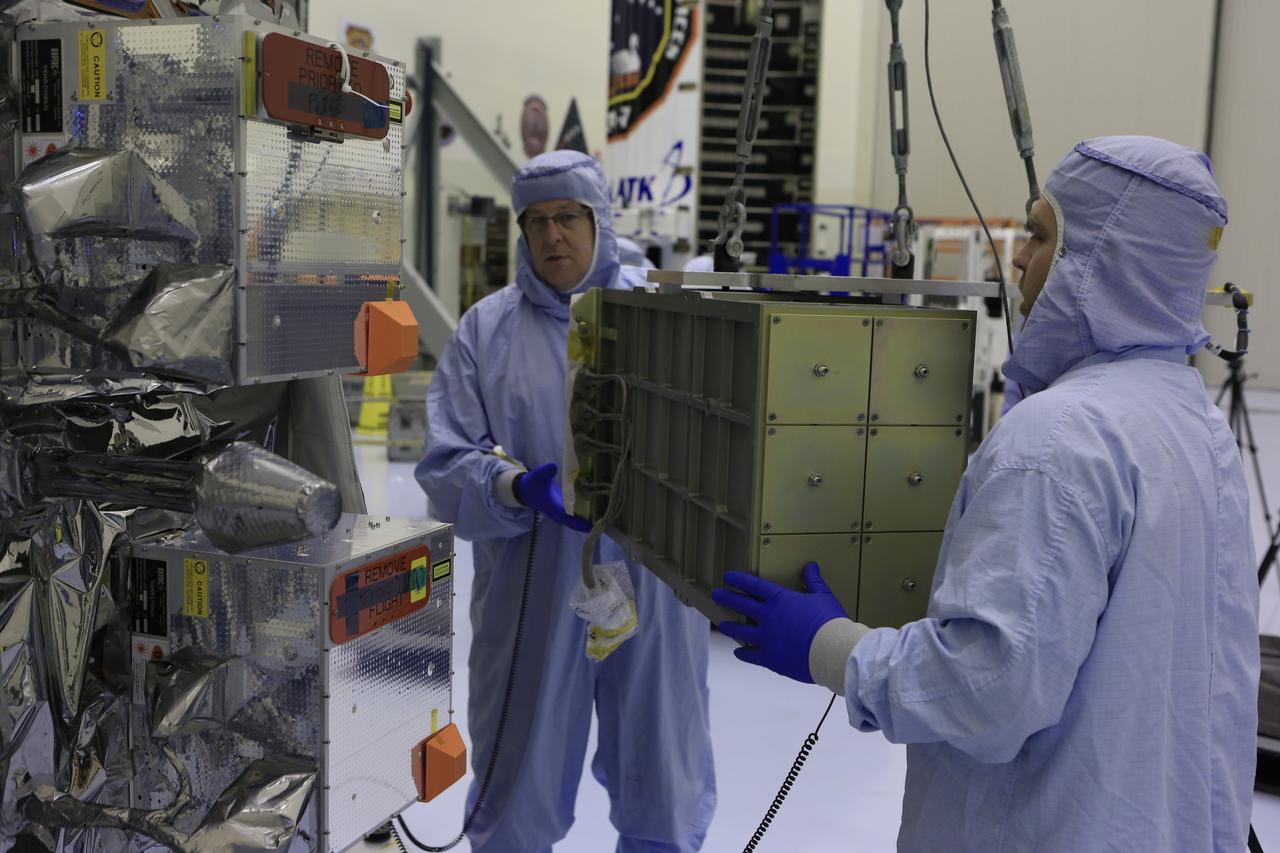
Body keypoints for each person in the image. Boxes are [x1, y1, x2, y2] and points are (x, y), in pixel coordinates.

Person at [712, 136, 1259, 852]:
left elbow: (987, 693)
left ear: (1104, 259)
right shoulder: (1192, 425)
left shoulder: (1061, 436)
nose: (1019, 255)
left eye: (1039, 232)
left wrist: (829, 647)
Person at [416, 150, 715, 853]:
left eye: (568, 217)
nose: (553, 235)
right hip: (534, 590)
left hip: (658, 585)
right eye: (537, 221)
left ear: (598, 219)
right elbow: (442, 462)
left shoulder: (665, 312)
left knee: (664, 783)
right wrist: (514, 487)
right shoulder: (486, 334)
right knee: (516, 791)